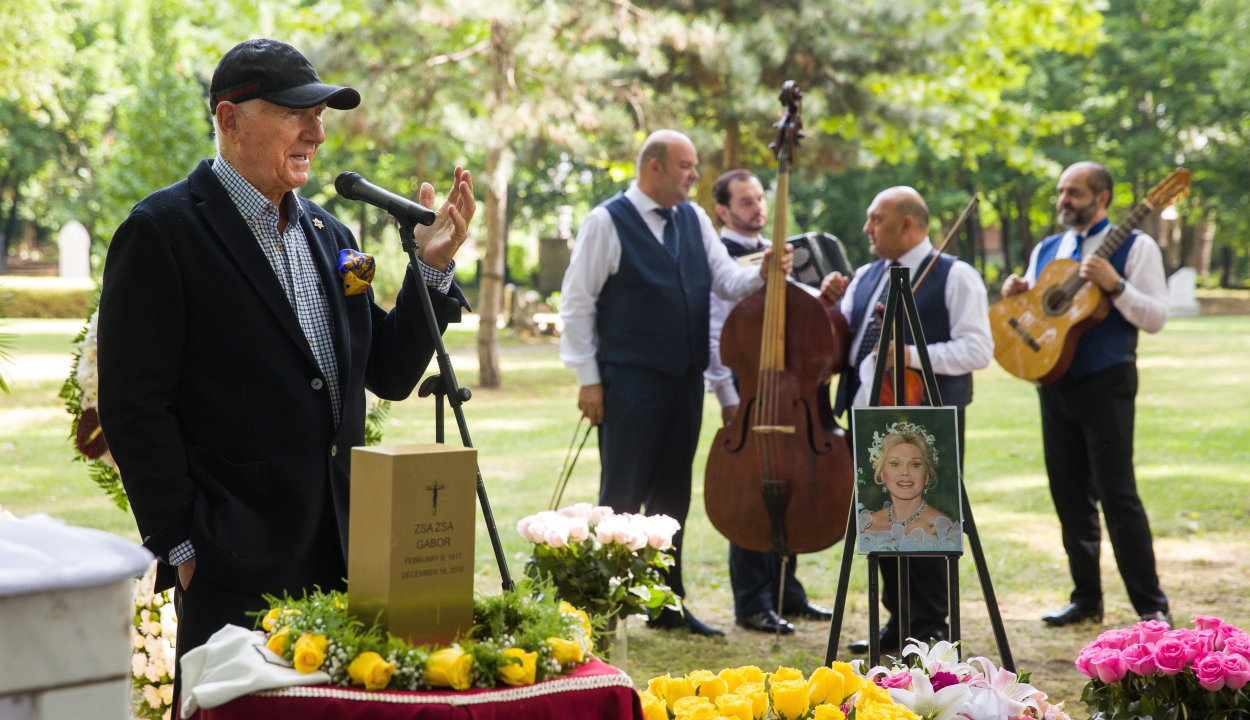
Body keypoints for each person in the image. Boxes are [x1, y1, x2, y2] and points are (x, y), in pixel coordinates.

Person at [96, 39, 474, 695]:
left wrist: (431, 269)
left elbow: (385, 370)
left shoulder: (335, 237)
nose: (317, 133)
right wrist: (184, 549)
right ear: (229, 118)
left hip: (345, 554)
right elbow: (133, 407)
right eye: (295, 113)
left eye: (322, 115)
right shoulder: (161, 232)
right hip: (231, 564)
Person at [558, 131, 789, 637]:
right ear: (654, 167)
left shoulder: (694, 219)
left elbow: (726, 280)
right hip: (628, 380)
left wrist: (764, 274)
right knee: (621, 494)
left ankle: (668, 605)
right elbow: (576, 304)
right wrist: (588, 380)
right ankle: (603, 612)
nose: (694, 175)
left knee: (672, 498)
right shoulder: (606, 221)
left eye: (696, 165)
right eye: (685, 166)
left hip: (684, 380)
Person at [820, 186, 992, 652]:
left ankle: (931, 623)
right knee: (879, 517)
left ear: (908, 225)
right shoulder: (865, 276)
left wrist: (909, 355)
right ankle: (897, 620)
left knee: (927, 518)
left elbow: (978, 349)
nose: (866, 229)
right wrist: (826, 304)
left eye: (876, 219)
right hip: (867, 412)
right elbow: (851, 341)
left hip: (926, 419)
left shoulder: (956, 276)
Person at [1001, 161, 1170, 628]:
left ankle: (1151, 607)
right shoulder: (1047, 249)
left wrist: (1115, 286)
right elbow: (1038, 312)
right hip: (1054, 382)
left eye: (1073, 192)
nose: (1063, 200)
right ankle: (1086, 599)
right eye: (1060, 191)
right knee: (1068, 496)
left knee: (1118, 495)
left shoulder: (1137, 246)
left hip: (1107, 381)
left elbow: (1156, 317)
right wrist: (1016, 292)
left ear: (1102, 198)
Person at [704, 169, 833, 635]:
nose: (757, 208)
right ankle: (753, 600)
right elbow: (717, 332)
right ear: (722, 210)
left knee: (792, 477)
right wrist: (728, 395)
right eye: (745, 202)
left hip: (789, 394)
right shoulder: (719, 259)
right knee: (751, 491)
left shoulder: (778, 255)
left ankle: (788, 592)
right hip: (749, 395)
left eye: (760, 199)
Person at [857, 422, 960, 552]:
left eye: (915, 465)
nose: (905, 472)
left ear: (927, 475)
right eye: (895, 463)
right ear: (881, 474)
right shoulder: (866, 525)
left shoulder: (946, 530)